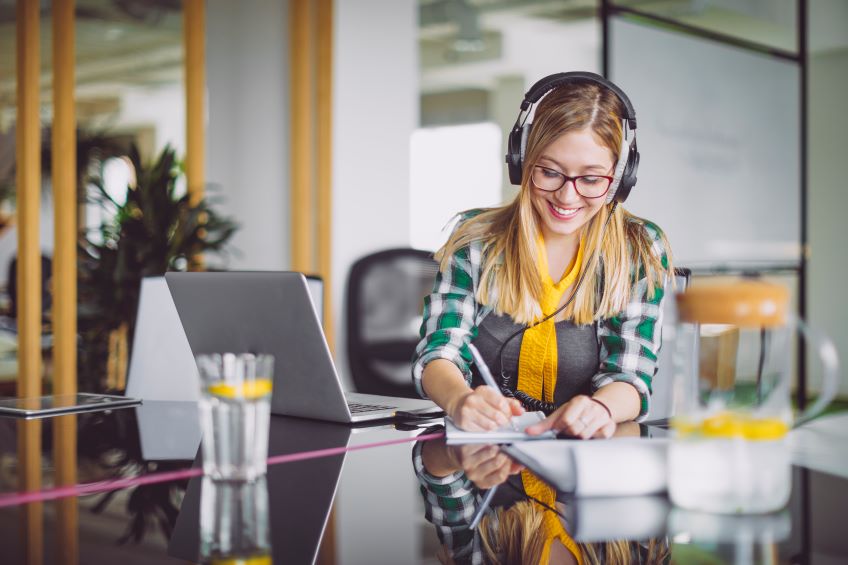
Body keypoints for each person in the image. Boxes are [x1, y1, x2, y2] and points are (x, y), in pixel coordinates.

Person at [412, 72, 673, 439]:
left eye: (592, 179)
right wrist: (459, 400)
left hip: (584, 461)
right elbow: (439, 351)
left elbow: (632, 375)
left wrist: (601, 408)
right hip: (484, 456)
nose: (567, 198)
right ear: (522, 163)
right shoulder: (476, 240)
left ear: (619, 178)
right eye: (549, 172)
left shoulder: (638, 248)